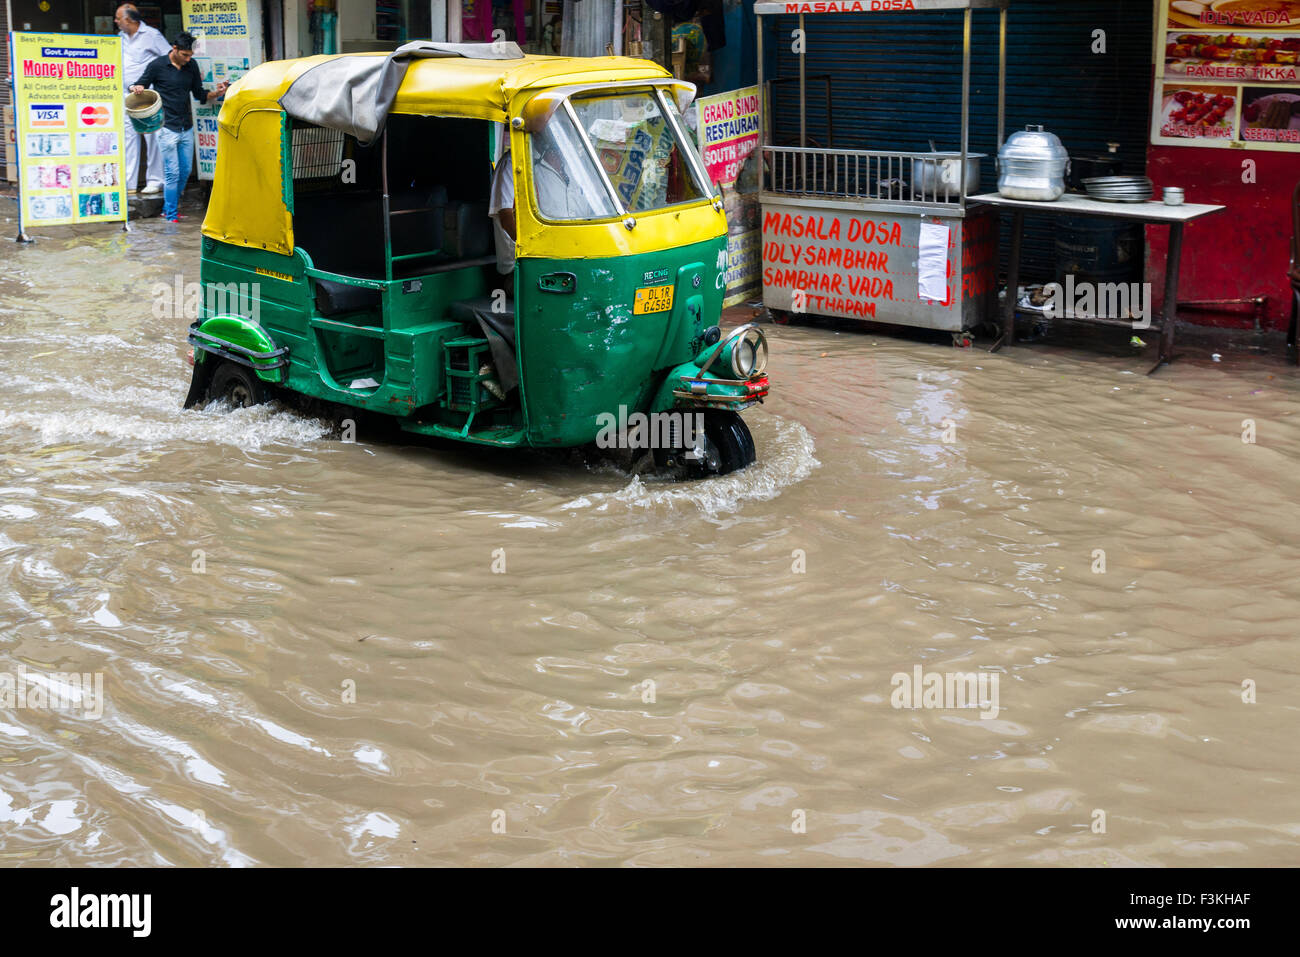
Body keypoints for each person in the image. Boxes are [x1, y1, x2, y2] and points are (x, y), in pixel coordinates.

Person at [130, 32, 228, 222]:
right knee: (172, 172)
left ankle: (169, 209)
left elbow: (199, 94)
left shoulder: (191, 66)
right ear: (174, 49)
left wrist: (217, 93)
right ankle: (171, 214)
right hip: (166, 127)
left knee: (184, 171)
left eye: (190, 55)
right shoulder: (157, 65)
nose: (188, 59)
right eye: (185, 55)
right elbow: (140, 84)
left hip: (186, 127)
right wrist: (137, 88)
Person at [116, 5, 170, 195]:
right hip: (125, 94)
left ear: (129, 20)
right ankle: (129, 183)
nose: (116, 21)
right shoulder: (119, 38)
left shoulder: (152, 35)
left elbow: (168, 58)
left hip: (147, 95)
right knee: (128, 137)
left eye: (118, 18)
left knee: (152, 136)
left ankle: (155, 180)